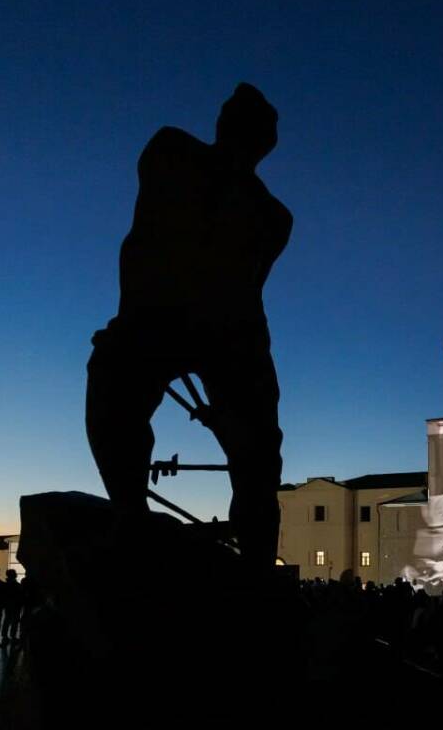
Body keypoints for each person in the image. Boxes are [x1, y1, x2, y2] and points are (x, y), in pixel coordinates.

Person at [85, 83, 292, 572]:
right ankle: (131, 513)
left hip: (223, 330)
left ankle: (258, 563)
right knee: (113, 391)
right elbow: (152, 233)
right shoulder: (172, 151)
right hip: (167, 317)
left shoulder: (272, 215)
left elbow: (244, 279)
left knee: (258, 456)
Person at [1, 569, 23, 645]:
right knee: (14, 621)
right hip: (16, 606)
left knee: (7, 620)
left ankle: (4, 636)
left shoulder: (5, 585)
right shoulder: (17, 585)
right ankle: (13, 636)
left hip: (8, 605)